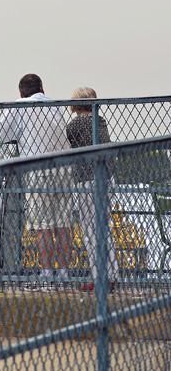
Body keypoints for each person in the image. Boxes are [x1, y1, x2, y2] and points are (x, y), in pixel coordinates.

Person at [0, 74, 72, 286]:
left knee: (42, 226)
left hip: (38, 170)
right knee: (63, 226)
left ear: (20, 93)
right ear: (42, 89)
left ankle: (46, 273)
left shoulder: (19, 106)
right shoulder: (55, 106)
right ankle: (64, 273)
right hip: (64, 169)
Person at [67, 87, 118, 289]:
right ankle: (112, 275)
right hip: (106, 177)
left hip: (87, 179)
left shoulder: (75, 125)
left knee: (90, 230)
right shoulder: (100, 121)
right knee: (105, 228)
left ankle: (98, 278)